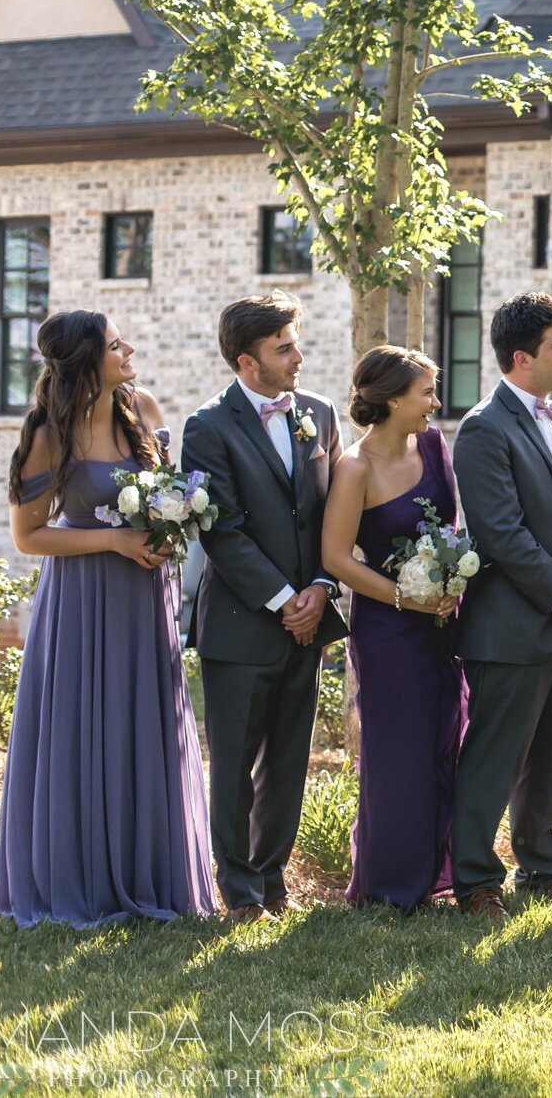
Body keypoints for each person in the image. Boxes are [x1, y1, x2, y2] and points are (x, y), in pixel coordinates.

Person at [0, 312, 216, 926]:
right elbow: (29, 537)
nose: (130, 350)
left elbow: (170, 493)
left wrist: (168, 533)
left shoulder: (139, 406)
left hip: (144, 596)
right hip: (80, 602)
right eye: (117, 345)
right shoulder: (47, 433)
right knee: (79, 726)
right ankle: (77, 876)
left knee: (142, 723)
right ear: (87, 360)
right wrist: (111, 543)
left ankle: (151, 874)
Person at [184, 292, 348, 923]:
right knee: (234, 765)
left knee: (288, 762)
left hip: (311, 616)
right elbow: (220, 530)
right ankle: (240, 890)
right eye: (284, 349)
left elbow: (334, 511)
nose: (298, 358)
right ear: (246, 363)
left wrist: (321, 588)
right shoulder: (207, 427)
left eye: (295, 343)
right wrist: (285, 600)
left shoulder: (320, 413)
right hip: (242, 625)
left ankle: (274, 879)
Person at [450, 293, 552, 919]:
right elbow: (501, 533)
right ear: (522, 358)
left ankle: (542, 870)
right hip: (510, 627)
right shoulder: (484, 428)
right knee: (495, 757)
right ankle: (476, 881)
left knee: (549, 756)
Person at [319, 346, 467, 910]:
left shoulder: (434, 444)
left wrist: (450, 583)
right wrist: (408, 598)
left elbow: (449, 528)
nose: (434, 402)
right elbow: (337, 558)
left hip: (441, 624)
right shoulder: (354, 467)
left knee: (442, 742)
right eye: (426, 393)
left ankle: (434, 873)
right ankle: (387, 884)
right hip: (387, 629)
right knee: (397, 753)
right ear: (390, 399)